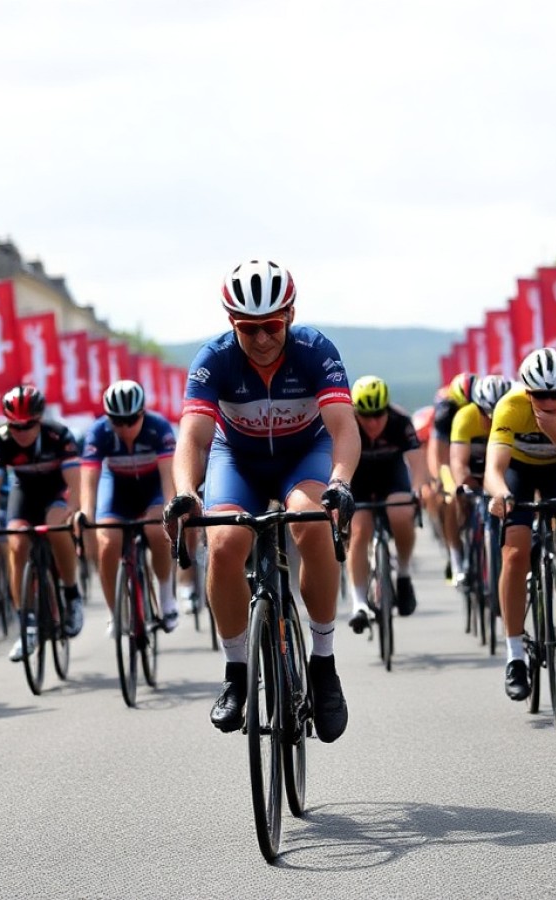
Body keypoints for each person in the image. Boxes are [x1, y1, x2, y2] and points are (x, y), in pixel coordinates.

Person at [163, 259, 359, 743]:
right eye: (249, 328)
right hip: (240, 461)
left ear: (289, 315)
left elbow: (342, 428)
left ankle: (323, 663)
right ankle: (236, 673)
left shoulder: (316, 351)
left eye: (272, 325)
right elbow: (192, 436)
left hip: (304, 455)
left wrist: (340, 481)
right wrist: (187, 493)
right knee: (225, 545)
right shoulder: (214, 359)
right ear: (232, 323)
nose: (263, 337)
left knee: (310, 523)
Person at [484, 348, 556, 701]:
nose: (549, 401)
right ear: (526, 392)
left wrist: (555, 428)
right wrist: (499, 493)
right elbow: (494, 468)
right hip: (520, 473)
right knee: (514, 553)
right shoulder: (511, 406)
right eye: (540, 395)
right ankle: (515, 655)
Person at [0, 386, 84, 662]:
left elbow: (76, 484)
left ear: (39, 419)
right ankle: (25, 624)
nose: (22, 431)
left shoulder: (58, 435)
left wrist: (74, 511)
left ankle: (72, 594)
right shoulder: (1, 440)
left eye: (28, 425)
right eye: (15, 425)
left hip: (56, 492)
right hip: (24, 492)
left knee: (55, 526)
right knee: (16, 541)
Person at [79, 379, 179, 635]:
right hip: (118, 490)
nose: (124, 427)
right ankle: (115, 614)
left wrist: (170, 510)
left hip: (152, 489)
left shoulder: (159, 428)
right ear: (108, 418)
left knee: (158, 531)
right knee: (107, 542)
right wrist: (86, 515)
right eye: (117, 421)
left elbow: (169, 478)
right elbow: (89, 481)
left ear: (142, 414)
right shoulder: (99, 432)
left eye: (131, 420)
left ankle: (167, 600)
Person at [345, 375, 428, 633]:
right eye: (365, 415)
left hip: (391, 475)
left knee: (402, 511)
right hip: (357, 477)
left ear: (387, 409)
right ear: (355, 411)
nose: (372, 422)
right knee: (359, 530)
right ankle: (359, 603)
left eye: (378, 414)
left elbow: (417, 463)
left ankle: (403, 574)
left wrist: (418, 488)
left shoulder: (400, 421)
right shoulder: (346, 422)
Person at [429, 373, 476, 580]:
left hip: (475, 458)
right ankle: (456, 559)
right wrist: (451, 484)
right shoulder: (445, 415)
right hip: (449, 459)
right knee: (450, 500)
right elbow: (441, 458)